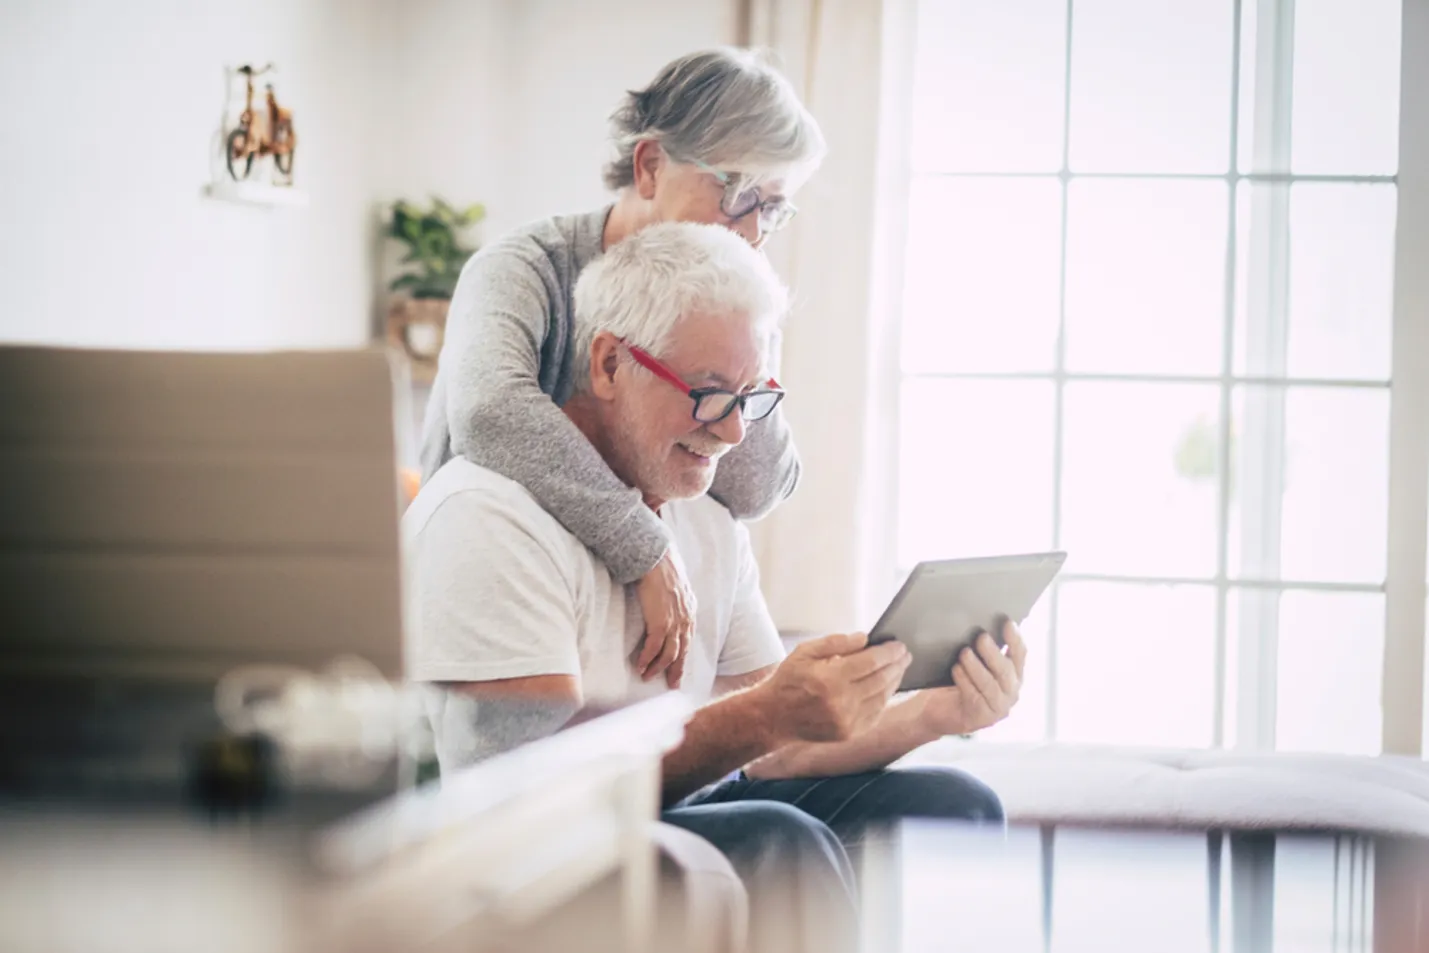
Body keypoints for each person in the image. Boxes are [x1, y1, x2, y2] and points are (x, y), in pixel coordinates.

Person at [405, 223, 1025, 952]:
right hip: (518, 864)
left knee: (955, 805)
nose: (732, 433)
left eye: (750, 396)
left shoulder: (705, 517)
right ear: (608, 363)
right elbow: (529, 800)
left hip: (658, 810)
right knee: (776, 839)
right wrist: (761, 715)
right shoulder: (489, 515)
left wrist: (934, 713)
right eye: (707, 394)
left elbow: (776, 748)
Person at [420, 48, 825, 690]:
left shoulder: (733, 289)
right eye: (738, 193)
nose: (752, 231)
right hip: (497, 607)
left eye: (772, 208)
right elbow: (488, 411)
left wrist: (740, 340)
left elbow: (757, 487)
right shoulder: (524, 268)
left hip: (623, 641)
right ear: (650, 165)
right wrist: (646, 544)